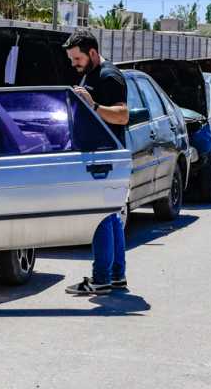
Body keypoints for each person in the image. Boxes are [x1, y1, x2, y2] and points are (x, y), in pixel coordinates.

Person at [62, 29, 130, 296]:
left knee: (101, 217)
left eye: (76, 58)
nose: (73, 64)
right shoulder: (90, 73)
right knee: (111, 216)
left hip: (105, 158)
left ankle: (100, 278)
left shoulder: (109, 76)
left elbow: (123, 115)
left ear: (91, 52)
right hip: (98, 155)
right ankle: (116, 276)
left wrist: (93, 106)